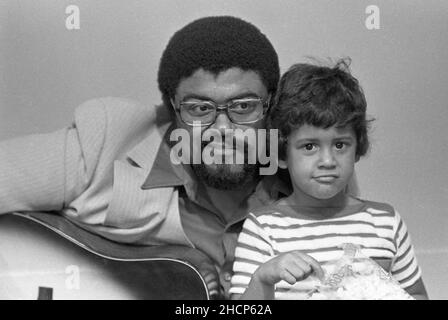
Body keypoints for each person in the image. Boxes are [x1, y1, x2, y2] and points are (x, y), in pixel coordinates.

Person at [0, 16, 287, 298]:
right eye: (199, 109)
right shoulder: (106, 143)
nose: (223, 129)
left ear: (271, 103)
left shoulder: (310, 172)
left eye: (243, 106)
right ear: (171, 108)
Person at [229, 59, 428, 300]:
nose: (327, 160)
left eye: (340, 145)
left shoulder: (386, 223)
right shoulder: (263, 229)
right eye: (309, 146)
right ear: (282, 153)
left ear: (358, 147)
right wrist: (264, 277)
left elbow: (416, 295)